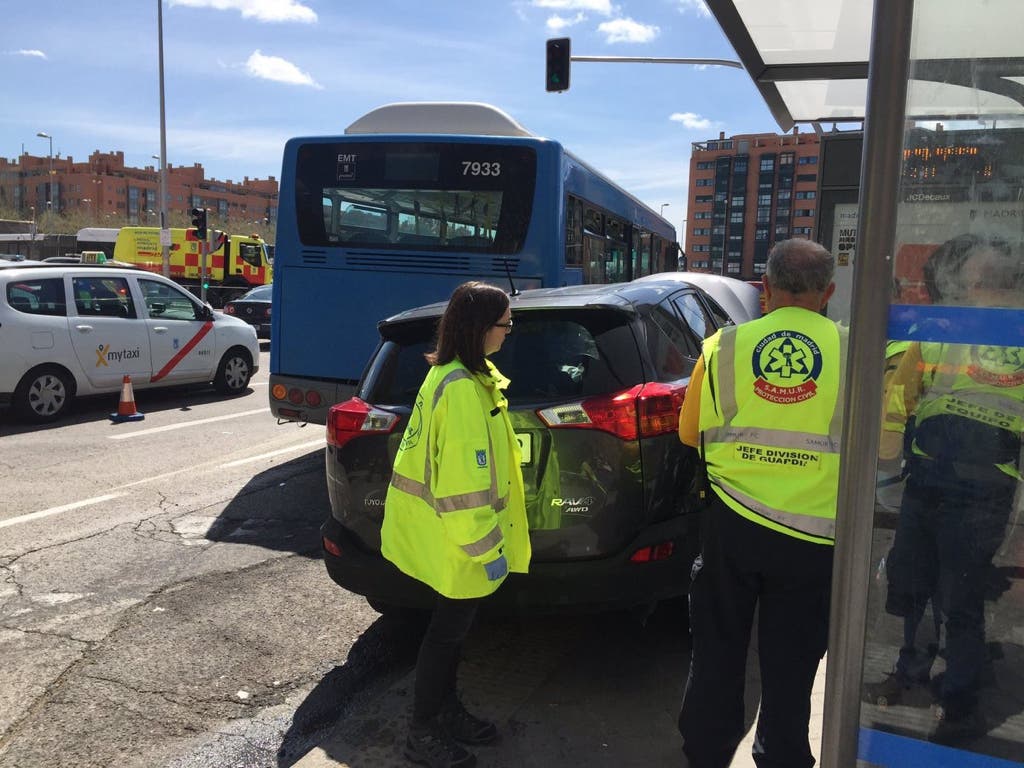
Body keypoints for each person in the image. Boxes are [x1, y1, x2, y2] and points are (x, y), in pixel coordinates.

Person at [676, 238, 846, 768]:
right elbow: (879, 448)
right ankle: (784, 755)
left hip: (733, 528)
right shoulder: (857, 349)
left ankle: (706, 751)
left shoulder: (723, 347)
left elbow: (688, 434)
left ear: (765, 289)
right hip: (815, 537)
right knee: (792, 665)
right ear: (829, 292)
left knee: (717, 654)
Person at [867, 236, 1024, 744]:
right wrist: (887, 458)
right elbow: (902, 397)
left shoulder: (1014, 332)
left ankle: (958, 702)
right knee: (912, 585)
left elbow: (902, 398)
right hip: (930, 478)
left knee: (960, 599)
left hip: (985, 486)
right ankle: (912, 674)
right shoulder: (942, 330)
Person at [381, 280, 531, 768]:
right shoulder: (464, 390)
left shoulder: (449, 373)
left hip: (444, 538)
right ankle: (423, 731)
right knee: (446, 636)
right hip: (461, 543)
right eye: (506, 324)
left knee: (449, 635)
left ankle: (444, 712)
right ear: (482, 329)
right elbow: (462, 490)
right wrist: (488, 551)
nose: (509, 332)